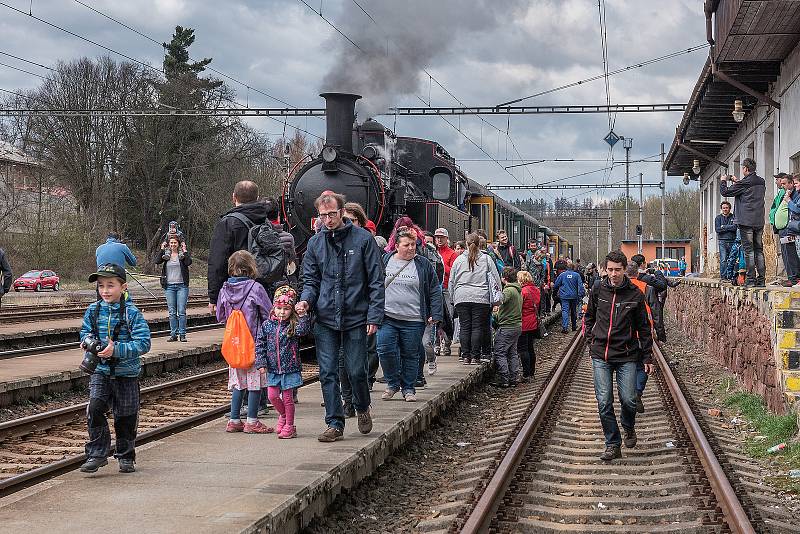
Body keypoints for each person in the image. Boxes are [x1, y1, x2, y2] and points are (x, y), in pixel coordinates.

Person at [297, 191, 384, 442]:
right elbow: (311, 280)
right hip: (325, 316)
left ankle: (362, 406)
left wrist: (374, 315)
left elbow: (376, 281)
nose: (327, 220)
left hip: (357, 315)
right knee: (328, 372)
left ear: (342, 212)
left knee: (357, 370)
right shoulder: (315, 244)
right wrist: (305, 300)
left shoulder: (363, 240)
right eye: (323, 215)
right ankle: (334, 423)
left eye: (332, 214)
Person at [78, 264, 151, 474]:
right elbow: (85, 332)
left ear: (123, 287)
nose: (105, 290)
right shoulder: (93, 310)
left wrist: (116, 350)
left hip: (126, 373)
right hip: (100, 371)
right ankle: (97, 453)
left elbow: (144, 343)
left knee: (126, 416)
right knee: (94, 408)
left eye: (110, 285)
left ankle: (126, 456)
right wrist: (87, 342)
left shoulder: (132, 313)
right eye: (101, 286)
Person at [584, 251, 653, 461]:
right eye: (610, 269)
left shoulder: (635, 294)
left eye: (617, 270)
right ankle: (612, 444)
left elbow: (643, 327)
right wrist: (590, 340)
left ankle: (628, 427)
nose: (613, 274)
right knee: (604, 401)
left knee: (629, 400)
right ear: (605, 269)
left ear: (624, 270)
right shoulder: (598, 288)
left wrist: (647, 357)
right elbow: (589, 316)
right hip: (601, 354)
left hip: (627, 355)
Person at [378, 227, 442, 402]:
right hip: (387, 317)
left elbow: (434, 289)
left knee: (410, 354)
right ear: (397, 246)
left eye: (414, 244)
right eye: (407, 245)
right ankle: (392, 383)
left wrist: (435, 313)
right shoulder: (385, 260)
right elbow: (374, 285)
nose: (411, 248)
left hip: (413, 319)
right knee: (385, 349)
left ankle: (408, 388)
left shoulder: (422, 264)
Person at [217, 251, 274, 434]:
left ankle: (234, 420)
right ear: (251, 267)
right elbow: (268, 313)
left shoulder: (224, 289)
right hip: (254, 344)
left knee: (238, 383)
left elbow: (220, 316)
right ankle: (252, 420)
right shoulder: (255, 288)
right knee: (254, 383)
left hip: (234, 344)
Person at [255, 286, 310, 439]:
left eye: (286, 309)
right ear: (274, 307)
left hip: (289, 368)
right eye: (279, 308)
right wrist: (261, 362)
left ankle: (290, 426)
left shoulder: (293, 325)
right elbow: (260, 344)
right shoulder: (267, 325)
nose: (281, 312)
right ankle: (284, 416)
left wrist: (303, 315)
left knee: (287, 398)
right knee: (272, 396)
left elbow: (304, 330)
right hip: (272, 368)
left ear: (291, 310)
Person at [208, 180, 267, 313]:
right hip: (262, 288)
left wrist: (214, 297)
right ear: (257, 198)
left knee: (237, 331)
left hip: (236, 293)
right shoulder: (265, 220)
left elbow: (217, 262)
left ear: (234, 197)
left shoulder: (228, 223)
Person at [449, 233, 501, 366]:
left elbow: (452, 281)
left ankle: (465, 356)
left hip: (461, 297)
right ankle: (475, 356)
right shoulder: (486, 259)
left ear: (466, 244)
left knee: (465, 327)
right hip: (481, 298)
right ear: (479, 244)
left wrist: (453, 298)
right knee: (477, 327)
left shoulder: (458, 260)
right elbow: (495, 279)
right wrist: (497, 298)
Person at [720, 159, 766, 287]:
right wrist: (738, 182)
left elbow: (725, 192)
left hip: (746, 221)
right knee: (759, 250)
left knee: (749, 251)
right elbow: (747, 190)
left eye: (742, 168)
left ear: (745, 168)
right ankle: (761, 280)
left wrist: (723, 180)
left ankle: (750, 280)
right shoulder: (761, 181)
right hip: (759, 220)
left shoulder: (745, 183)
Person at [155, 235, 192, 342]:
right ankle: (173, 334)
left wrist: (185, 251)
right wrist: (162, 249)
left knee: (181, 311)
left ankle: (182, 334)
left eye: (175, 243)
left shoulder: (181, 255)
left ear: (178, 244)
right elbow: (157, 261)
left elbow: (188, 262)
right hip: (169, 286)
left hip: (182, 286)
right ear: (168, 244)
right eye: (171, 243)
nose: (173, 245)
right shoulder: (166, 255)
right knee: (172, 312)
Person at [492, 267, 523, 388]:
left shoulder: (509, 290)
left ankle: (504, 378)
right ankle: (513, 377)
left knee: (500, 352)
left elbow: (500, 300)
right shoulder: (517, 289)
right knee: (512, 352)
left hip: (507, 326)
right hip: (516, 326)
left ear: (504, 278)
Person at [434, 228, 457, 357]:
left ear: (447, 239)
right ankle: (436, 344)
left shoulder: (452, 254)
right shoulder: (432, 252)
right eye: (437, 237)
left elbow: (454, 272)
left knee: (448, 317)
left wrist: (441, 265)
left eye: (442, 237)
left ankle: (447, 343)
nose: (439, 239)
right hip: (435, 289)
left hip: (446, 288)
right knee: (436, 317)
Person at [517, 269, 540, 382]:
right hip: (533, 322)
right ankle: (532, 372)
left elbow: (519, 307)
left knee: (523, 349)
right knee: (531, 348)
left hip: (524, 322)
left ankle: (526, 374)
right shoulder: (536, 289)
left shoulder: (523, 292)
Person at [553, 260, 585, 333]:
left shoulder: (562, 275)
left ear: (566, 268)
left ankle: (565, 327)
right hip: (574, 296)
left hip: (564, 296)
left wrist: (556, 292)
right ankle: (574, 326)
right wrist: (581, 295)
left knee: (565, 311)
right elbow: (580, 286)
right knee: (574, 311)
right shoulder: (576, 275)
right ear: (573, 268)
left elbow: (556, 285)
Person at [715, 201, 736, 281]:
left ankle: (731, 276)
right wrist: (729, 227)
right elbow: (718, 230)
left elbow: (735, 228)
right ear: (721, 209)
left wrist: (724, 227)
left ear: (729, 209)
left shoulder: (733, 217)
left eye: (726, 208)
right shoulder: (718, 218)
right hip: (722, 241)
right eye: (723, 208)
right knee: (723, 259)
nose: (725, 209)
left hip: (732, 241)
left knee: (732, 259)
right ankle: (723, 277)